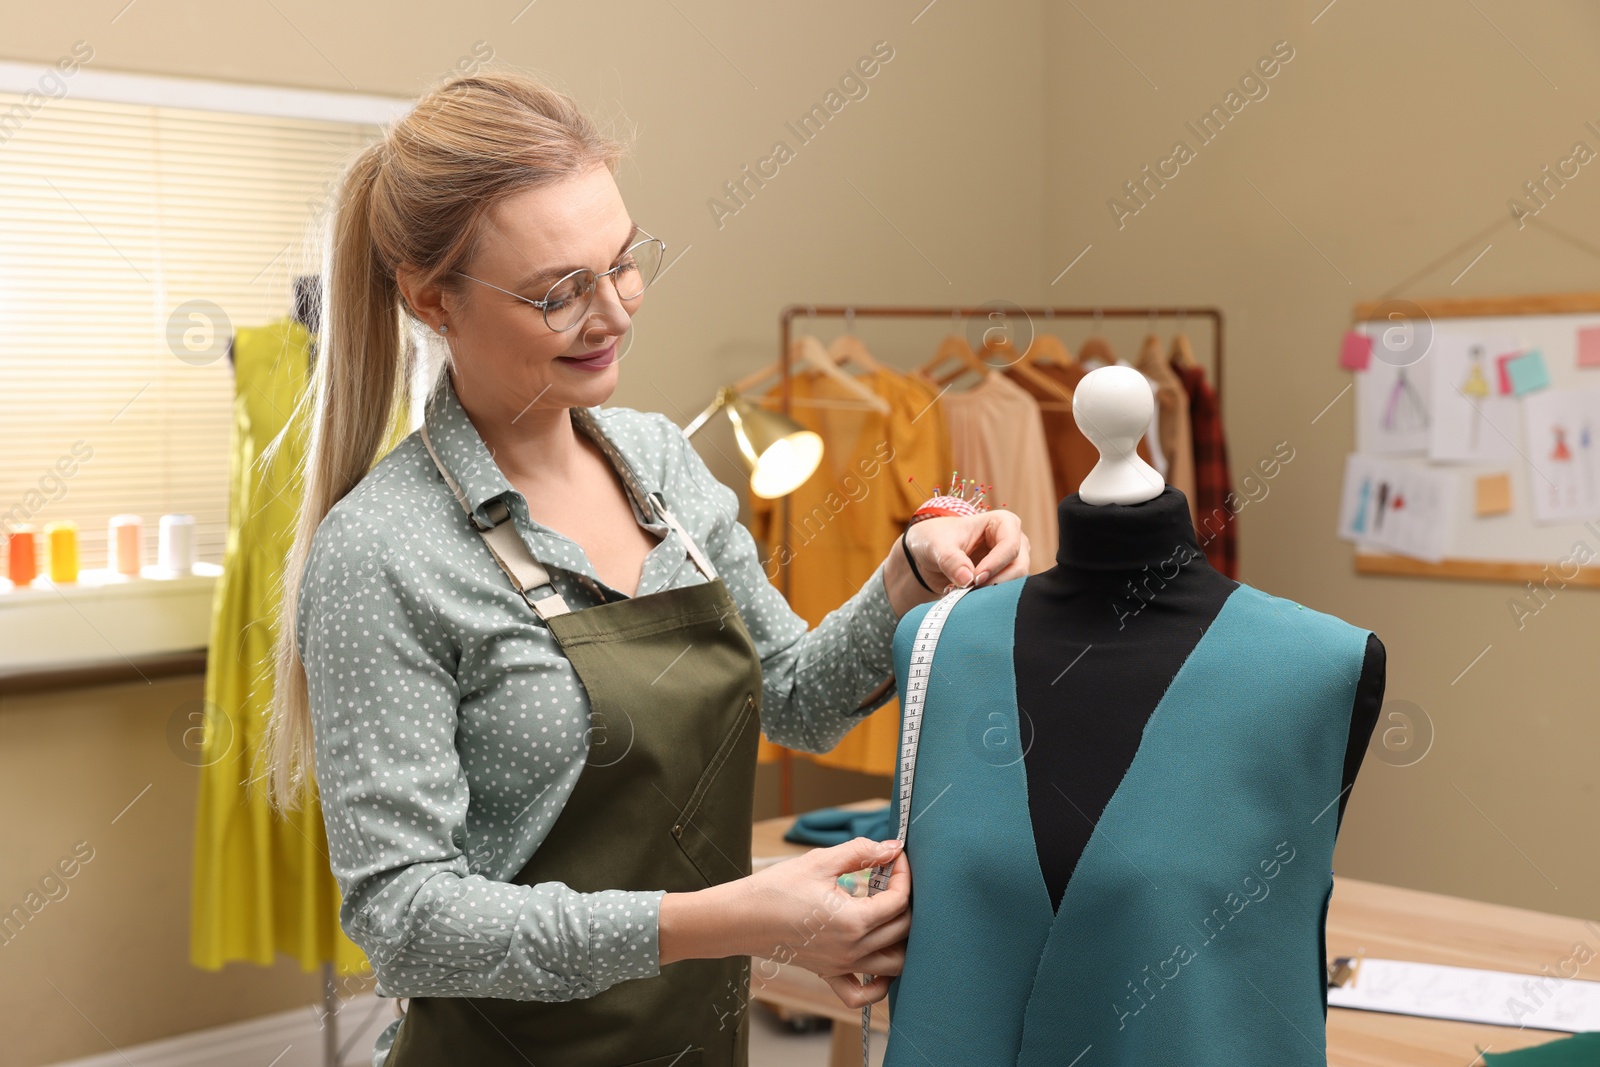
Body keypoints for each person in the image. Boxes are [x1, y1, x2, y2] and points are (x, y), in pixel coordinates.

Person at [260, 69, 1029, 1067]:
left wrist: (906, 580)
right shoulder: (383, 552)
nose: (614, 311)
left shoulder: (659, 463)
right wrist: (728, 917)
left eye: (622, 263)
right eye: (557, 292)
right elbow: (404, 917)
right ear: (429, 298)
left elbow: (792, 696)